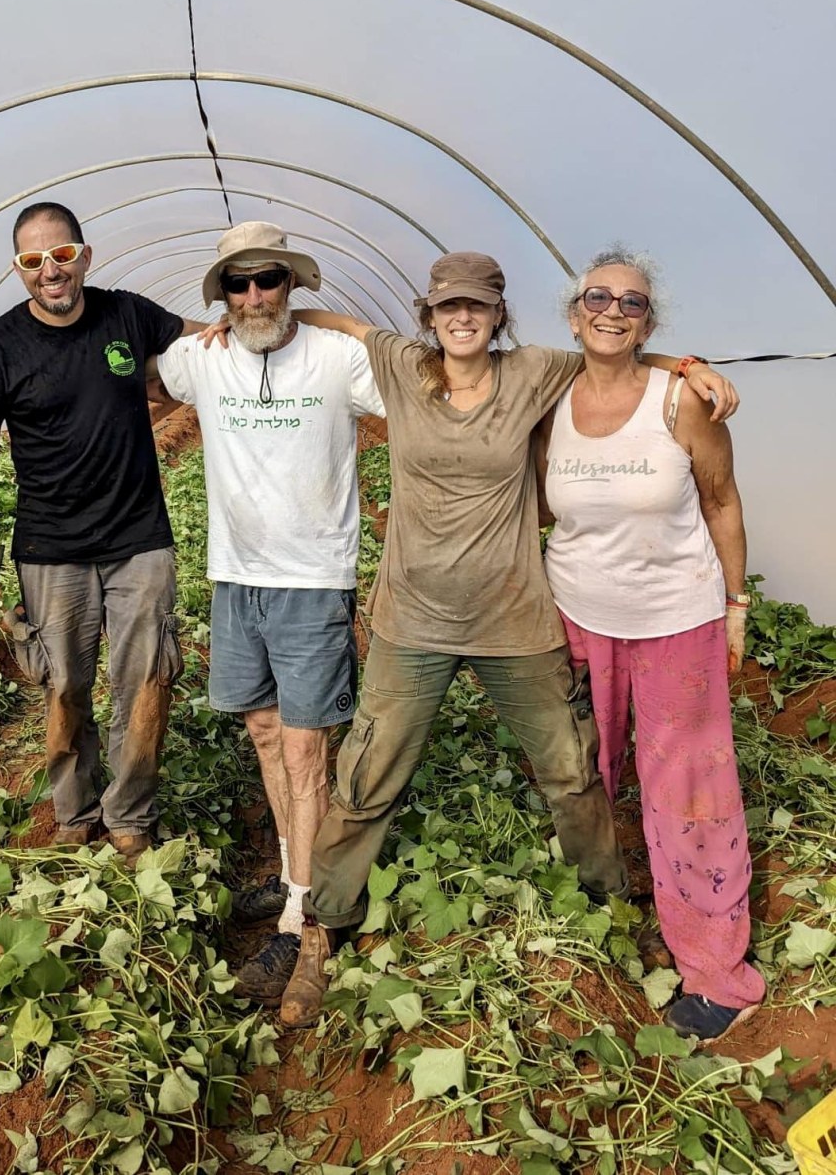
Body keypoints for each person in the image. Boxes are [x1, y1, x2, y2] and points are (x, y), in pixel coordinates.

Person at [275, 250, 740, 1028]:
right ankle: (324, 926)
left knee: (570, 771)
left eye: (478, 307)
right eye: (448, 306)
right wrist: (259, 315)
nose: (462, 318)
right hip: (411, 621)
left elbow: (614, 348)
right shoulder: (399, 364)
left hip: (516, 620)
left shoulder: (533, 371)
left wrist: (688, 364)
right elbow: (338, 322)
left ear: (498, 317)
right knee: (366, 779)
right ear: (428, 315)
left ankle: (611, 907)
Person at [150, 221, 386, 1002]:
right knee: (262, 730)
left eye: (271, 280)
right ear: (221, 296)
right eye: (239, 284)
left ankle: (303, 915)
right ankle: (295, 870)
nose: (255, 296)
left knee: (305, 749)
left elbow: (420, 376)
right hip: (233, 578)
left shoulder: (337, 357)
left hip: (312, 579)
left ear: (293, 284)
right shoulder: (202, 358)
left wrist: (333, 318)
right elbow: (131, 356)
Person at [538, 245, 764, 1041]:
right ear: (573, 314)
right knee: (583, 772)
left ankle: (717, 971)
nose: (612, 310)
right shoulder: (548, 398)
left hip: (675, 619)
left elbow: (723, 500)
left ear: (649, 322)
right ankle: (604, 905)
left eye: (631, 303)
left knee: (690, 795)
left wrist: (735, 602)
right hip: (577, 617)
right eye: (597, 297)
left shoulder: (681, 403)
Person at [0, 201, 204, 862]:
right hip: (50, 545)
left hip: (138, 539)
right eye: (35, 262)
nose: (51, 271)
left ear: (84, 257)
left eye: (62, 256)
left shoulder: (127, 314)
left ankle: (130, 810)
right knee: (64, 684)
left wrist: (276, 327)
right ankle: (75, 805)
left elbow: (207, 341)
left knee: (146, 679)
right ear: (19, 271)